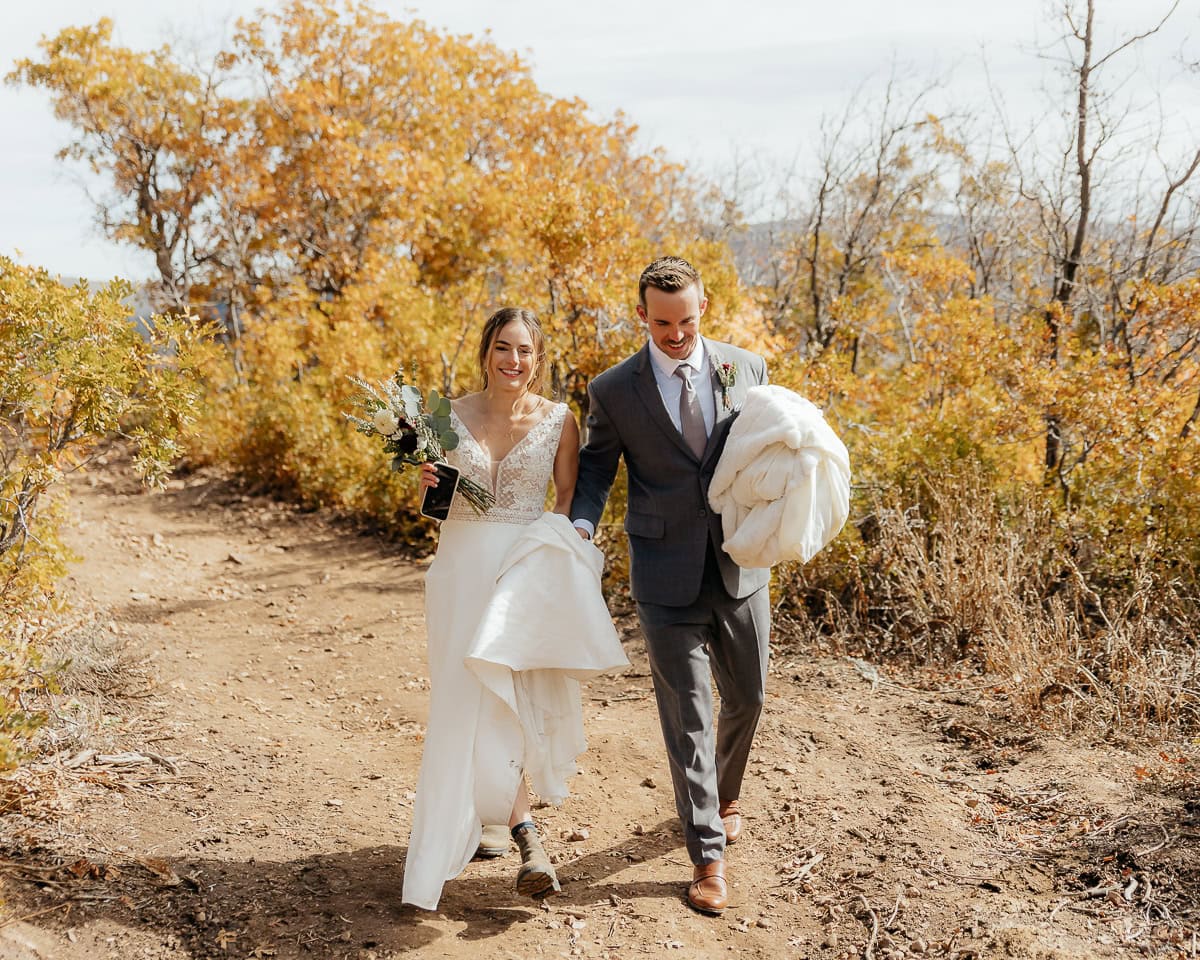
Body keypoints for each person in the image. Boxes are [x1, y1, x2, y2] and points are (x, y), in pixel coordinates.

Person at [402, 307, 627, 911]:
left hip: (522, 580)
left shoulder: (560, 421)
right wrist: (425, 485)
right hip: (459, 571)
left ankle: (524, 833)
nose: (514, 361)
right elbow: (434, 509)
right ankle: (501, 826)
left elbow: (565, 504)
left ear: (538, 359)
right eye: (504, 348)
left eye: (526, 351)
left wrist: (565, 573)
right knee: (462, 698)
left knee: (508, 699)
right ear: (486, 351)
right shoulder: (443, 415)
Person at [570, 257, 771, 916]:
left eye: (686, 321)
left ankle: (726, 789)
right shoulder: (614, 390)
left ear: (703, 307)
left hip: (741, 561)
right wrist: (580, 525)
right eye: (662, 324)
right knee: (688, 716)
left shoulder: (746, 367)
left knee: (749, 696)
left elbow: (770, 452)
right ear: (641, 316)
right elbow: (597, 470)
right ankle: (707, 855)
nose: (676, 334)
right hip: (663, 571)